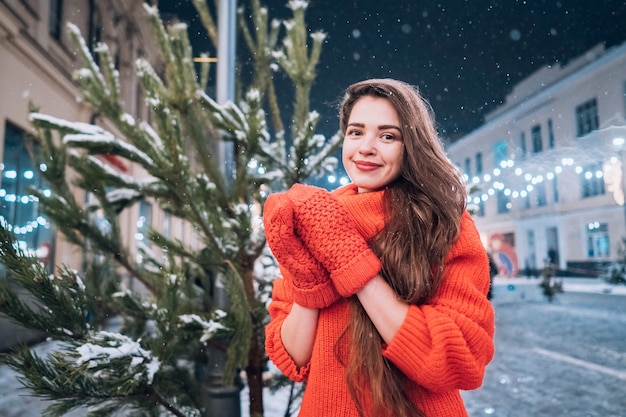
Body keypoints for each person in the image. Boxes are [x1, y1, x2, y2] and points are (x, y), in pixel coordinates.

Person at [263, 78, 495, 417]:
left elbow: (457, 361)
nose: (366, 147)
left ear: (411, 146)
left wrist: (354, 267)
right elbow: (293, 358)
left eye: (388, 136)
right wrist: (308, 280)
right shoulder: (314, 218)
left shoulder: (443, 225)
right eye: (356, 132)